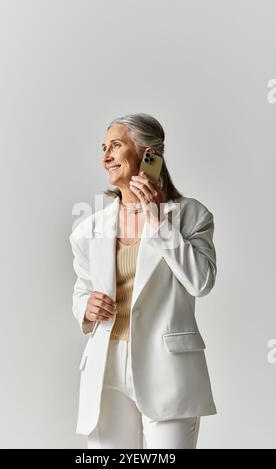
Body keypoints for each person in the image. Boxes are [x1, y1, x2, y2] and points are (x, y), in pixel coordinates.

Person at [69, 113, 217, 449]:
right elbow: (81, 290)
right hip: (106, 367)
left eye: (116, 145)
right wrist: (86, 307)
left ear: (150, 155)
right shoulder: (88, 230)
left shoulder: (191, 216)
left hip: (167, 369)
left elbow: (202, 281)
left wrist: (158, 222)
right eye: (103, 147)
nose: (105, 155)